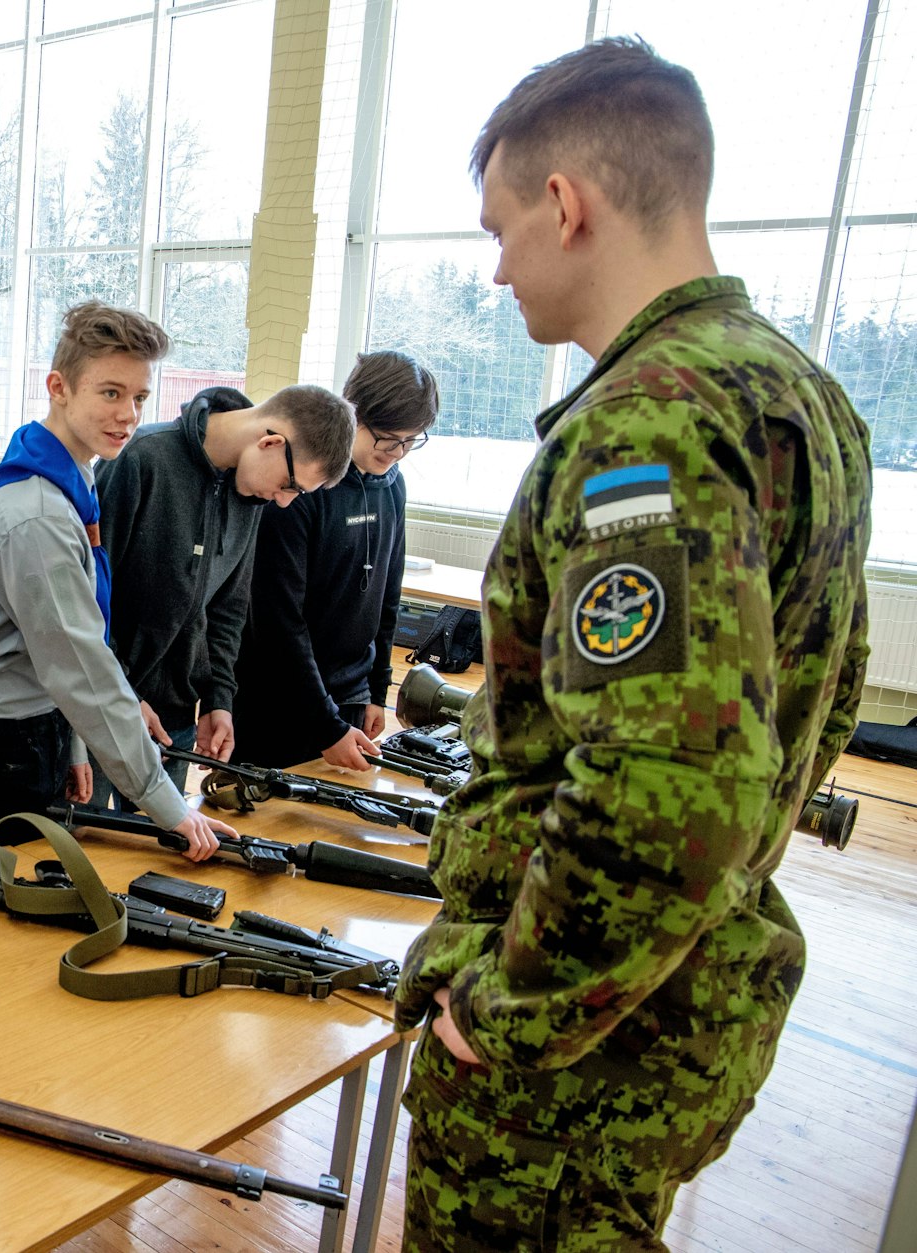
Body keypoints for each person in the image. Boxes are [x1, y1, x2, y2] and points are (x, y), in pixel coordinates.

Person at [394, 38, 871, 1251]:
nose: (496, 271)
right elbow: (811, 702)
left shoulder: (640, 428)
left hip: (571, 1054)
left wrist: (505, 1012)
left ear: (564, 206)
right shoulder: (801, 397)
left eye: (498, 230)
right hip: (673, 997)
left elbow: (666, 783)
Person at [0, 300, 238, 861]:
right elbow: (83, 668)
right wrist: (167, 804)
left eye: (139, 397)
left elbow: (58, 647)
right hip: (1, 747)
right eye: (110, 392)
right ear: (59, 387)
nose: (127, 414)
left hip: (39, 728)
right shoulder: (40, 515)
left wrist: (74, 743)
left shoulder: (70, 478)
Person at [91, 382, 353, 806]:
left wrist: (219, 700)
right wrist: (121, 696)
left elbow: (229, 608)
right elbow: (87, 600)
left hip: (173, 716)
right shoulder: (141, 458)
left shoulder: (250, 496)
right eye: (291, 484)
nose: (285, 502)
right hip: (100, 706)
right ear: (270, 442)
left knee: (150, 855)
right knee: (79, 851)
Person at [230, 351, 438, 771]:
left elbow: (388, 594)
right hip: (279, 701)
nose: (398, 452)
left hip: (350, 699)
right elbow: (277, 622)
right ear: (354, 414)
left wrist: (376, 689)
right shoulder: (297, 488)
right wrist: (325, 724)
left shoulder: (392, 487)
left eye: (411, 441)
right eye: (388, 437)